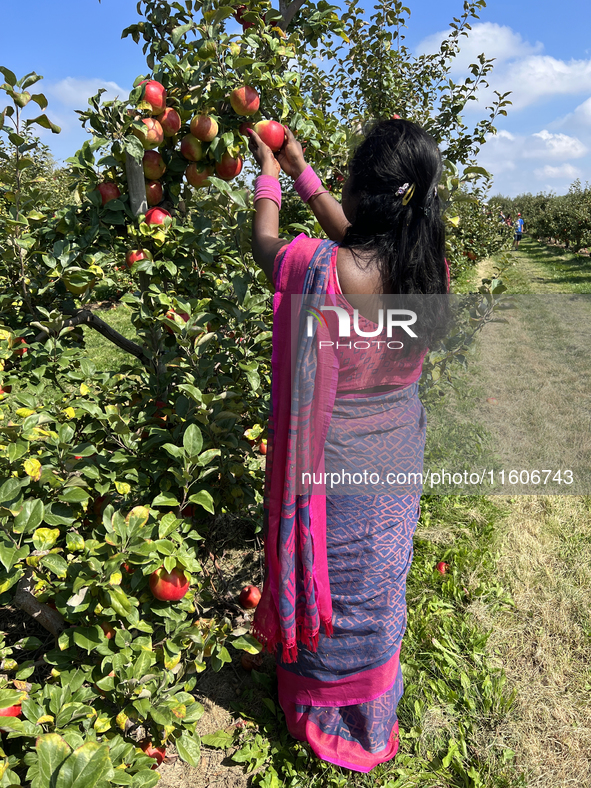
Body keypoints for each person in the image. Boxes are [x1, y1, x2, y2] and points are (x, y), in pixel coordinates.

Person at [245, 119, 449, 773]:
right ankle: (368, 714)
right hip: (394, 455)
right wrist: (303, 172)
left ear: (361, 195)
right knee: (375, 582)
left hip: (330, 468)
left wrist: (270, 177)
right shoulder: (425, 269)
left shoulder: (316, 268)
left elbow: (265, 245)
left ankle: (319, 716)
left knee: (328, 578)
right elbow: (354, 247)